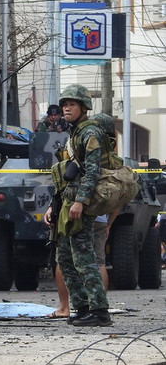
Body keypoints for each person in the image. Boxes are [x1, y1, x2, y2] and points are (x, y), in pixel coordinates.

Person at [43, 85, 112, 327]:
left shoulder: (89, 132)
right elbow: (65, 175)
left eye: (72, 104)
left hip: (79, 205)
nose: (66, 108)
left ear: (84, 107)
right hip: (66, 202)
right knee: (65, 258)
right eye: (64, 105)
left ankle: (100, 310)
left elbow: (92, 172)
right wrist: (53, 206)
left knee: (84, 259)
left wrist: (81, 201)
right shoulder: (74, 133)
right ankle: (82, 307)